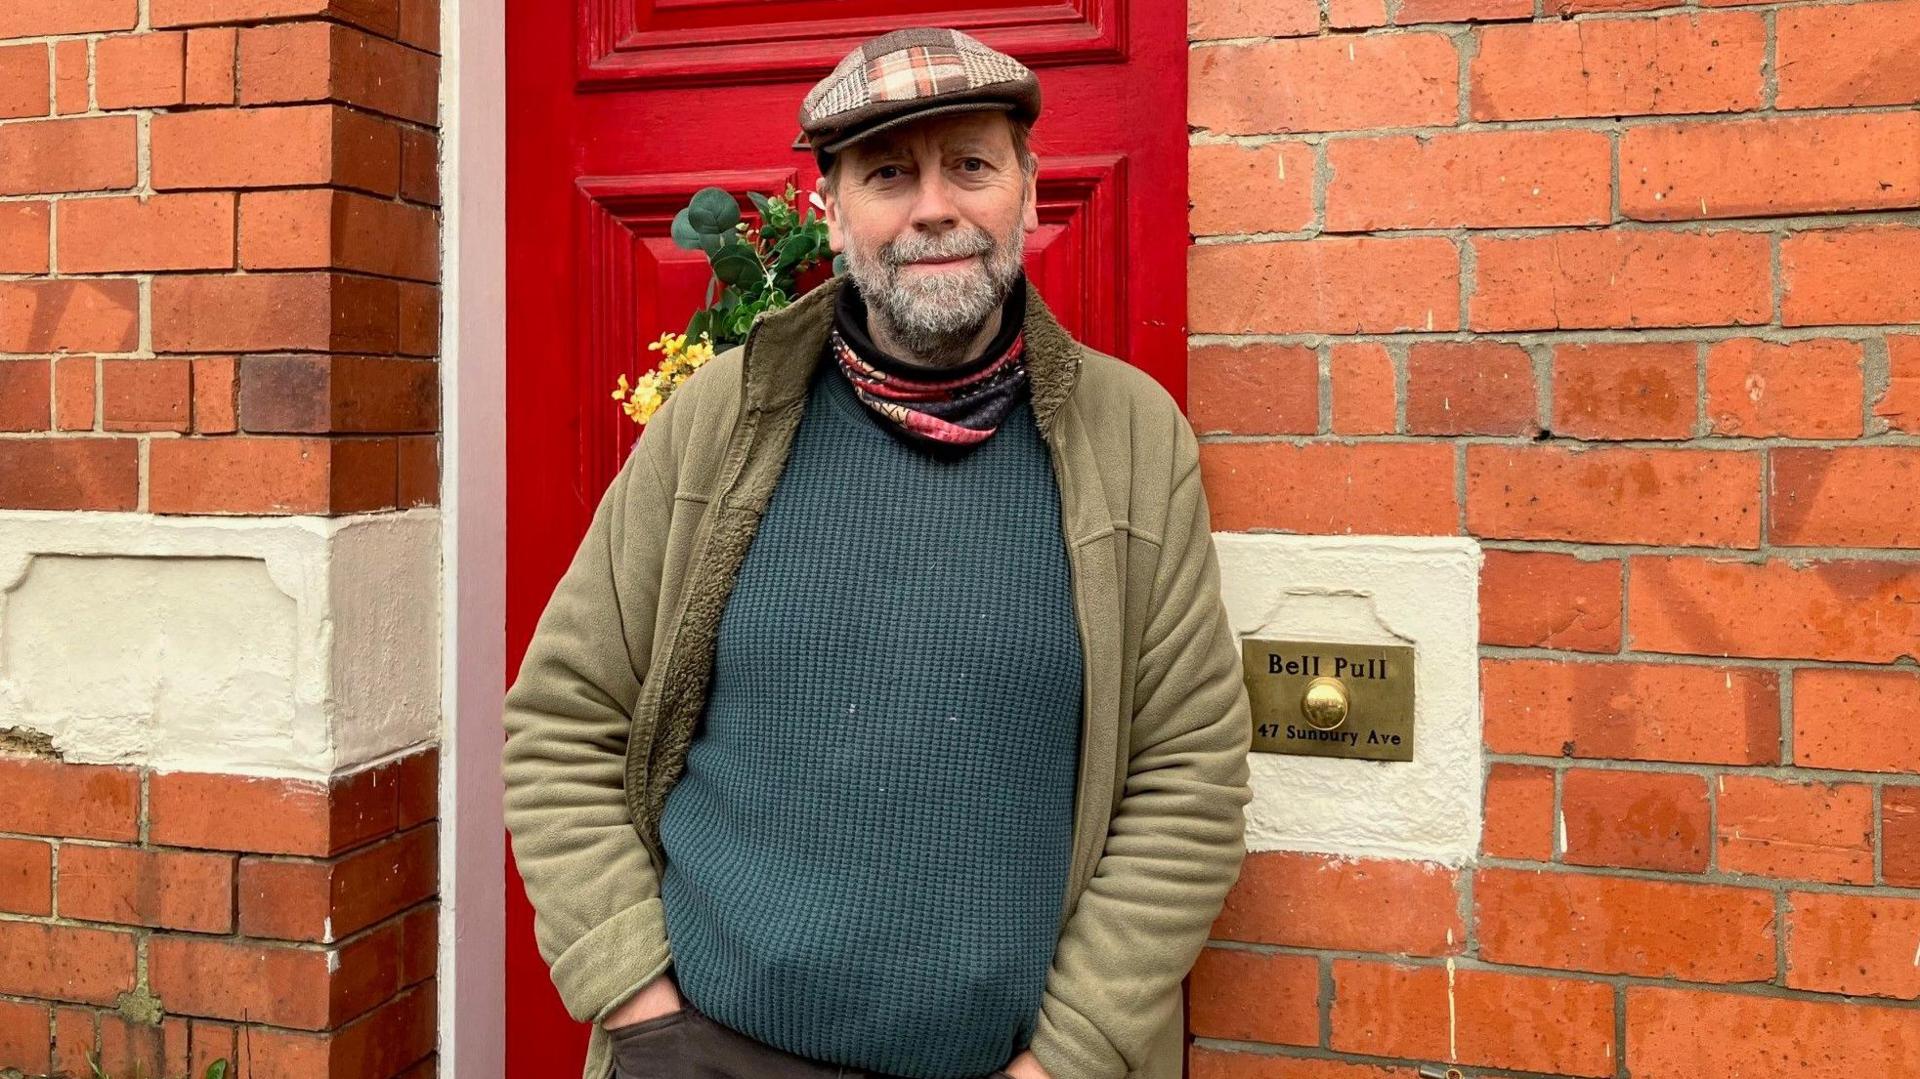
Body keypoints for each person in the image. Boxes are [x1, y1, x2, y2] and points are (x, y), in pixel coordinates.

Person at [502, 26, 1253, 1079]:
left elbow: (1190, 779)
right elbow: (562, 718)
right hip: (708, 1052)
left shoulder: (1132, 440)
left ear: (1032, 193)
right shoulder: (720, 421)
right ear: (833, 209)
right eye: (889, 172)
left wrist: (1072, 1054)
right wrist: (638, 1005)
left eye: (972, 165)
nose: (934, 205)